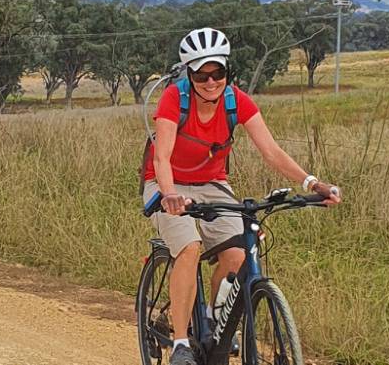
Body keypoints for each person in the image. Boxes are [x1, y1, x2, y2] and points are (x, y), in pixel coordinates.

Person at [142, 27, 341, 365]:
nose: (210, 81)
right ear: (189, 74)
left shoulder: (237, 101)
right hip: (167, 184)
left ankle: (208, 319)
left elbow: (272, 151)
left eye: (217, 72)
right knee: (189, 247)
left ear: (226, 72)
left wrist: (312, 183)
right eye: (201, 74)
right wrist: (171, 194)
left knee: (238, 251)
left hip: (212, 183)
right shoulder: (175, 99)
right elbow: (161, 157)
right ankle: (180, 344)